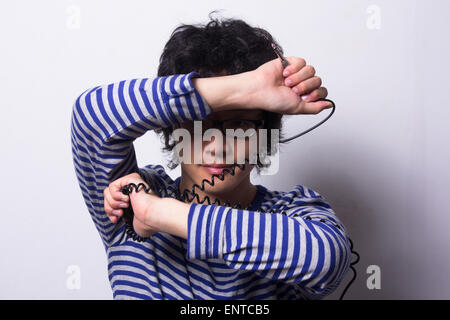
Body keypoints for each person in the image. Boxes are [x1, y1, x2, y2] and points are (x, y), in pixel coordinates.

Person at [70, 13, 351, 300]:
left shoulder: (293, 212)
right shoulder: (129, 200)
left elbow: (326, 260)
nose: (216, 146)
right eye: (198, 124)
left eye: (240, 125)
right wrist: (245, 88)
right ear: (173, 126)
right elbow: (90, 115)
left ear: (264, 133)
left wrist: (159, 214)